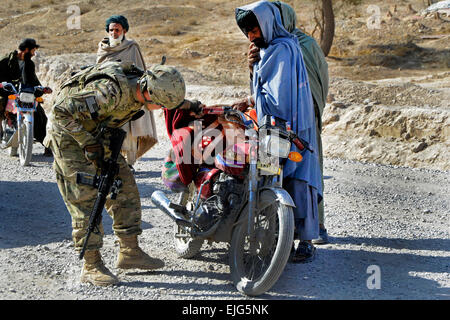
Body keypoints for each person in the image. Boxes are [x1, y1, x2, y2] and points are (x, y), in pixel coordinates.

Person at [43, 60, 187, 286]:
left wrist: (191, 105)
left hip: (97, 132)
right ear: (148, 93)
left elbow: (171, 99)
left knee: (125, 187)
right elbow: (61, 112)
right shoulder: (109, 92)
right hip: (69, 136)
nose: (159, 109)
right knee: (85, 198)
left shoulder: (147, 86)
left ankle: (129, 252)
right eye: (159, 104)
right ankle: (91, 265)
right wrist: (88, 143)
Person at [232, 1, 323, 262]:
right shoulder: (271, 49)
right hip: (272, 126)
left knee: (296, 180)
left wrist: (251, 98)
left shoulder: (282, 49)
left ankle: (305, 241)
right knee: (269, 176)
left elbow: (278, 99)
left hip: (287, 127)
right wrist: (253, 69)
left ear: (268, 24)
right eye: (247, 31)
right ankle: (278, 238)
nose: (251, 36)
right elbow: (265, 89)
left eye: (255, 29)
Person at [97, 15, 158, 170]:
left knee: (130, 129)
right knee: (109, 128)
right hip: (109, 96)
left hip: (129, 95)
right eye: (111, 30)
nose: (114, 33)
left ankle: (129, 163)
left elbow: (140, 72)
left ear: (124, 30)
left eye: (117, 30)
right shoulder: (103, 48)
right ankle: (112, 160)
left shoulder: (132, 47)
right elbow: (98, 70)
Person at [0, 38, 52, 156]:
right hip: (6, 93)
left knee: (40, 114)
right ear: (26, 50)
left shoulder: (29, 64)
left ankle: (47, 144)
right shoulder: (5, 61)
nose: (34, 54)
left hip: (24, 95)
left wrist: (41, 89)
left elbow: (33, 81)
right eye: (33, 51)